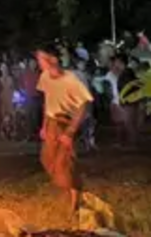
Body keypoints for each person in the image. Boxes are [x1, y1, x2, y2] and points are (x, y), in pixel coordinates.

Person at [35, 45, 93, 212]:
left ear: (53, 59)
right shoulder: (45, 77)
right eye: (39, 59)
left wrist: (70, 132)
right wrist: (44, 125)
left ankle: (74, 201)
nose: (40, 62)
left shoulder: (71, 79)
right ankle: (67, 188)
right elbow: (48, 100)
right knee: (47, 159)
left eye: (43, 58)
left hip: (65, 122)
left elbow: (83, 105)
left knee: (66, 163)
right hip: (52, 122)